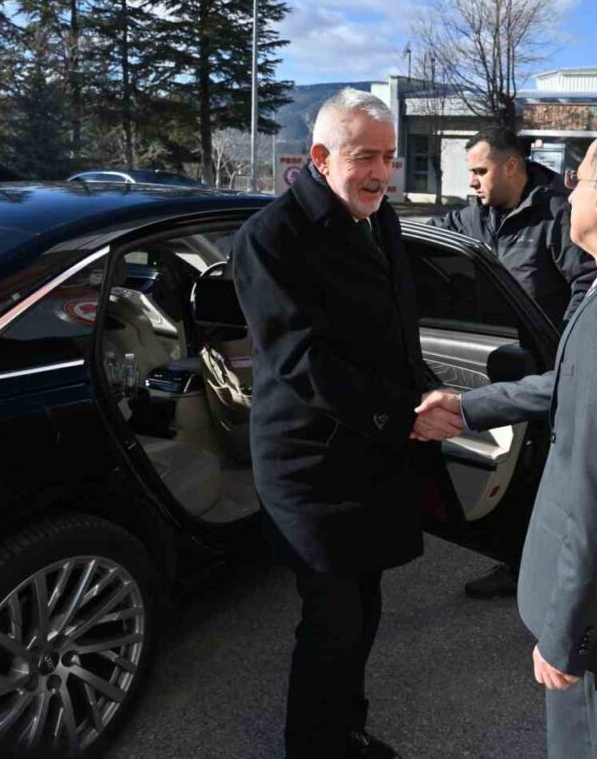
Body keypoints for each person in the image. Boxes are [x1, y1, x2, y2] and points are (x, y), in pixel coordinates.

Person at [415, 122, 597, 758]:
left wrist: (567, 635)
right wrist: (469, 407)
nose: (565, 193)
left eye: (575, 182)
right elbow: (572, 383)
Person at [231, 88, 461, 759]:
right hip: (311, 465)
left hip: (373, 452)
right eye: (365, 157)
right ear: (321, 156)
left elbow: (395, 336)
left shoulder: (378, 219)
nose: (380, 173)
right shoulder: (271, 238)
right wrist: (405, 415)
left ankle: (344, 731)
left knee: (364, 605)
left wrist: (426, 390)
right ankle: (314, 746)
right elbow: (304, 361)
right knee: (332, 619)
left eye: (388, 157)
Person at [428, 126, 597, 600]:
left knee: (544, 475)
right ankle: (518, 560)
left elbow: (586, 282)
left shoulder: (556, 214)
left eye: (480, 171)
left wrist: (564, 348)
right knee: (511, 468)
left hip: (547, 369)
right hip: (502, 362)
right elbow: (431, 235)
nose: (473, 181)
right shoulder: (476, 217)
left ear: (511, 166)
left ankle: (543, 575)